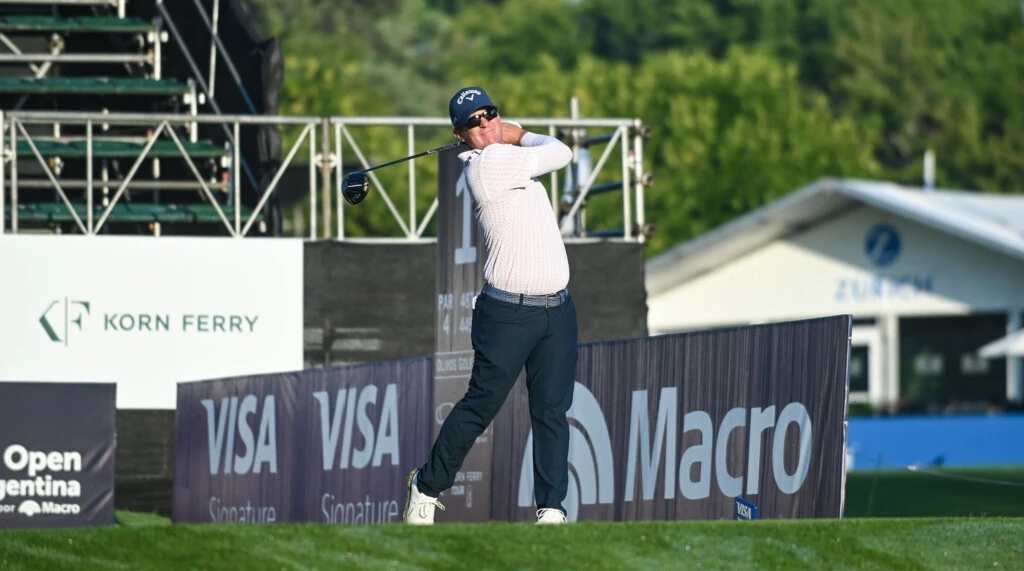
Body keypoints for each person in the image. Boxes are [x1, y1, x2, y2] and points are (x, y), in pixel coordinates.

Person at [404, 86, 578, 526]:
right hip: (508, 314)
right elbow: (562, 152)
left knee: (552, 411)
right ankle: (426, 485)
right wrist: (520, 134)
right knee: (481, 406)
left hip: (557, 309)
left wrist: (514, 136)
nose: (485, 124)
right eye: (473, 121)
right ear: (460, 135)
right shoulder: (489, 164)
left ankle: (552, 509)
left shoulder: (504, 155)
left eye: (490, 113)